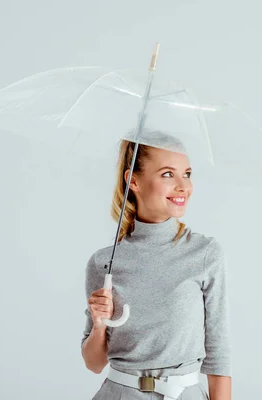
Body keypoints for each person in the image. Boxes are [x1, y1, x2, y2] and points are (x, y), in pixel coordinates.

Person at [81, 134, 232, 400]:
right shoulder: (103, 263)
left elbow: (218, 356)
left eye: (186, 174)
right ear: (134, 180)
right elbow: (94, 363)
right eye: (167, 175)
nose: (183, 186)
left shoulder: (205, 254)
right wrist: (99, 324)